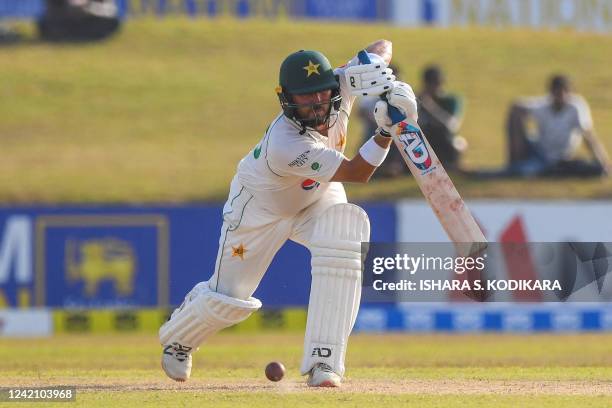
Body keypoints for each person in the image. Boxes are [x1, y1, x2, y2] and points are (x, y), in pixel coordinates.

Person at [158, 41, 418, 387]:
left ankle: (324, 361)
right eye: (304, 98)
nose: (315, 104)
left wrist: (386, 80)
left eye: (320, 94)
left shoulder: (341, 82)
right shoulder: (285, 143)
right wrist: (385, 131)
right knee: (229, 301)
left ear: (332, 86)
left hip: (316, 197)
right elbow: (358, 173)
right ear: (287, 100)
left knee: (345, 238)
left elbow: (382, 46)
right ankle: (179, 338)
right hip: (260, 210)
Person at [505, 74, 611, 177]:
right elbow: (516, 107)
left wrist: (603, 162)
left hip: (559, 157)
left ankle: (519, 169)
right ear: (551, 92)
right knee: (515, 116)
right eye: (558, 92)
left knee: (525, 171)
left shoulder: (576, 107)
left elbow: (589, 136)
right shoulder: (543, 105)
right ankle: (514, 164)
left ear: (570, 92)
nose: (561, 96)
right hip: (538, 150)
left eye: (565, 92)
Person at [358, 64, 407, 178]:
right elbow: (361, 112)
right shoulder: (372, 95)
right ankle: (378, 166)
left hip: (397, 132)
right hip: (377, 131)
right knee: (375, 131)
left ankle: (396, 165)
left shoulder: (403, 96)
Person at [417, 65, 466, 171]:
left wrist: (430, 106)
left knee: (458, 143)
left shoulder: (451, 100)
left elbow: (451, 125)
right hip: (426, 141)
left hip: (445, 141)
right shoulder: (417, 101)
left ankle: (449, 164)